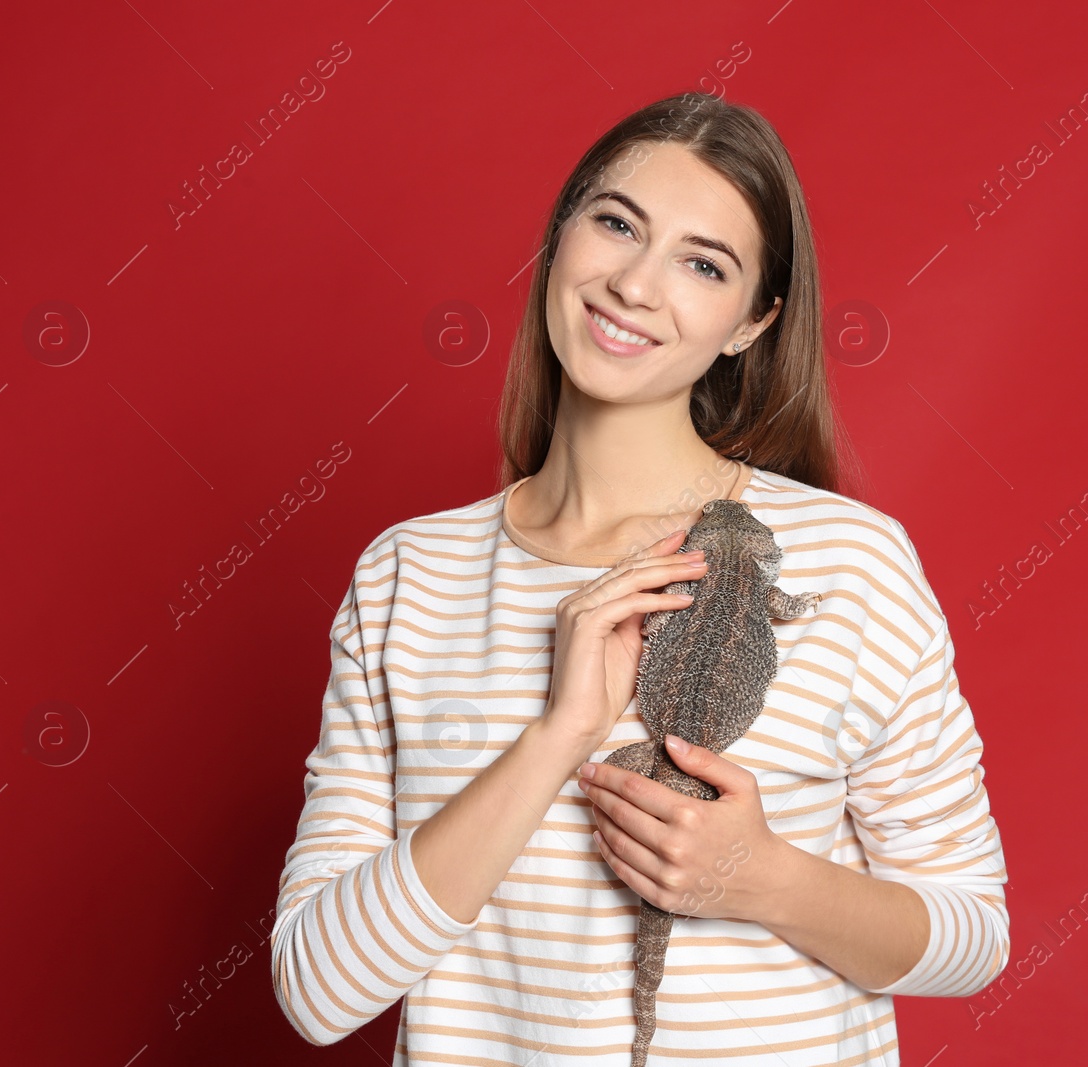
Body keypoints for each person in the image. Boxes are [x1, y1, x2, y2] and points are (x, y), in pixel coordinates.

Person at [269, 90, 1010, 1065]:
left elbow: (973, 933)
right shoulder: (409, 575)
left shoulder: (849, 562)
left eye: (703, 264)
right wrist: (556, 737)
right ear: (562, 232)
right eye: (616, 223)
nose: (635, 284)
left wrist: (759, 877)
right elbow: (318, 990)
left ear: (750, 323)